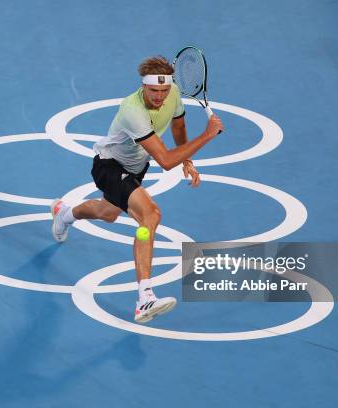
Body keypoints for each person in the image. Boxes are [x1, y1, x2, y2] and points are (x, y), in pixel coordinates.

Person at [51, 56, 224, 324]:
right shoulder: (133, 111)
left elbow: (178, 125)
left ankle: (64, 213)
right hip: (108, 165)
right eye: (154, 91)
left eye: (164, 91)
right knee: (151, 215)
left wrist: (188, 160)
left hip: (135, 168)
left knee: (108, 212)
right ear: (143, 86)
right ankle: (144, 298)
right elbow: (166, 161)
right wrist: (207, 135)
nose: (160, 96)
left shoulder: (173, 93)